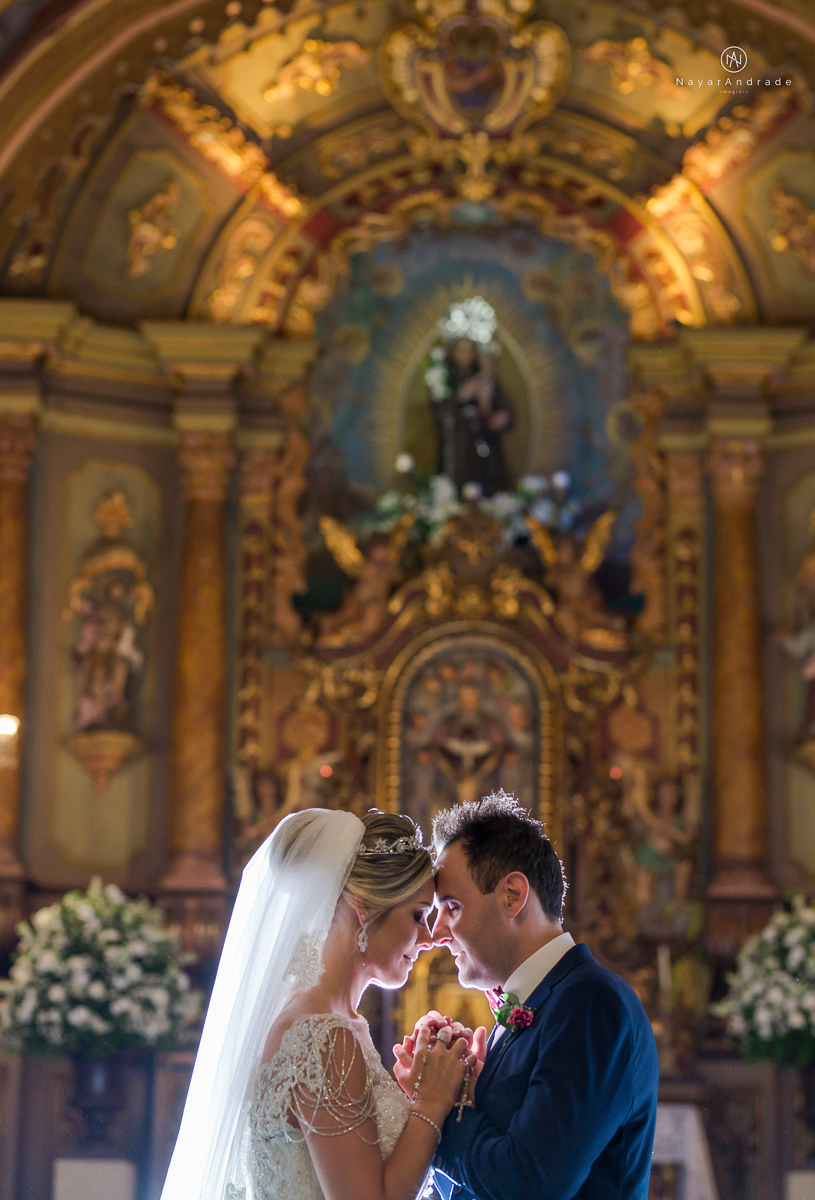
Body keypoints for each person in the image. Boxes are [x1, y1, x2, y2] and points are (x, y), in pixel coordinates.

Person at [161, 808, 475, 1200]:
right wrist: (432, 1100)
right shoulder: (325, 1039)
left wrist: (420, 1097)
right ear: (363, 907)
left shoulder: (329, 1025)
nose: (428, 938)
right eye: (417, 915)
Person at [393, 791, 659, 1200]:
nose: (437, 931)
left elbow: (532, 1183)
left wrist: (439, 1105)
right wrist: (463, 1090)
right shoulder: (538, 1003)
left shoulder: (591, 1002)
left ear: (512, 895)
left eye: (451, 906)